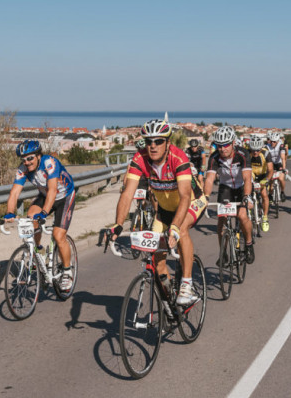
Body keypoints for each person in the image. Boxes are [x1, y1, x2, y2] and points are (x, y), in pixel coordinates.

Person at [108, 119, 207, 306]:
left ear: (167, 143)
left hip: (192, 202)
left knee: (182, 230)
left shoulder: (178, 158)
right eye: (149, 141)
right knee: (157, 260)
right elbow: (128, 193)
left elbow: (185, 196)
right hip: (164, 210)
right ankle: (169, 300)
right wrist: (118, 224)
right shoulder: (140, 159)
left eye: (158, 141)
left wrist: (176, 227)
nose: (153, 146)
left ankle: (187, 284)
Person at [4, 140, 76, 291]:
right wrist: (9, 212)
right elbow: (15, 192)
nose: (27, 162)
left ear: (38, 156)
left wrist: (44, 213)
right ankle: (38, 251)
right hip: (45, 195)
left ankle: (67, 271)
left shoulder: (49, 163)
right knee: (31, 218)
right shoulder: (23, 169)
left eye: (30, 158)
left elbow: (52, 190)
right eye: (24, 159)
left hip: (64, 196)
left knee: (58, 235)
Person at [204, 126, 255, 265]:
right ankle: (223, 253)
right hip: (226, 187)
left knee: (242, 216)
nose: (222, 149)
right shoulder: (214, 158)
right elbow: (209, 179)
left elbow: (247, 178)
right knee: (221, 221)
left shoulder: (242, 154)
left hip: (242, 187)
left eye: (226, 144)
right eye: (219, 145)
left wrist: (247, 196)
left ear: (233, 143)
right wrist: (205, 198)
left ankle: (249, 244)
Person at [249, 135, 274, 232]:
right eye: (253, 150)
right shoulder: (248, 153)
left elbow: (271, 170)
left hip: (263, 175)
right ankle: (249, 210)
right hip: (252, 174)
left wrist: (267, 180)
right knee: (247, 192)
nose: (255, 152)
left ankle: (265, 218)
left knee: (264, 194)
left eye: (257, 150)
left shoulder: (266, 153)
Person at [266, 132, 287, 202]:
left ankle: (282, 192)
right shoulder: (267, 147)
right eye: (271, 141)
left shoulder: (281, 146)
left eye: (274, 142)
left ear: (277, 141)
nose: (272, 143)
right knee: (271, 179)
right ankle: (270, 194)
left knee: (281, 178)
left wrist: (284, 169)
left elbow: (283, 158)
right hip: (271, 164)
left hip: (279, 163)